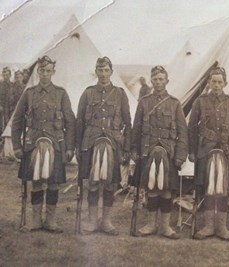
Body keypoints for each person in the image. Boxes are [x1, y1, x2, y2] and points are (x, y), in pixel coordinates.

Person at [12, 56, 76, 232]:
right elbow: (17, 121)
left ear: (53, 72)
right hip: (33, 144)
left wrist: (70, 147)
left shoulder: (61, 93)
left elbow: (70, 121)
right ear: (38, 71)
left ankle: (51, 221)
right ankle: (35, 221)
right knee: (36, 182)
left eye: (49, 71)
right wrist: (17, 146)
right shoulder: (29, 93)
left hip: (55, 144)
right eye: (42, 70)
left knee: (54, 182)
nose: (45, 74)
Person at [76, 57, 132, 236]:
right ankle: (92, 221)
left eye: (106, 70)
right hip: (91, 142)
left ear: (111, 72)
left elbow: (127, 123)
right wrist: (78, 147)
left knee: (110, 184)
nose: (103, 74)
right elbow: (79, 123)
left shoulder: (120, 94)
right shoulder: (88, 93)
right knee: (92, 183)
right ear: (96, 71)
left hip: (113, 142)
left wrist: (126, 148)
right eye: (100, 70)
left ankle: (106, 221)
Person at [188, 67, 229, 242]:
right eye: (213, 81)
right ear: (209, 83)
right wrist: (191, 151)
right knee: (207, 188)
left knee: (223, 189)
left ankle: (222, 227)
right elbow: (191, 128)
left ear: (225, 83)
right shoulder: (200, 101)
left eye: (220, 82)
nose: (217, 85)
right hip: (205, 151)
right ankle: (208, 226)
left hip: (226, 153)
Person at [131, 66, 188, 239]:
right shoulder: (144, 102)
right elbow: (136, 128)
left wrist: (180, 156)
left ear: (167, 81)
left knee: (166, 190)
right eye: (155, 79)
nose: (158, 82)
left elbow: (182, 132)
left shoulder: (174, 103)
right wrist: (134, 149)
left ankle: (165, 227)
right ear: (151, 81)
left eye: (161, 79)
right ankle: (150, 225)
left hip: (168, 153)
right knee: (151, 189)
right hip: (148, 152)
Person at [0, 67, 13, 134]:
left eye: (7, 75)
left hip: (9, 107)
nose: (5, 77)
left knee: (8, 122)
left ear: (10, 75)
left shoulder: (12, 85)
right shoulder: (0, 85)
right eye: (4, 75)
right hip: (1, 107)